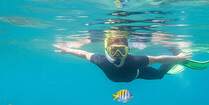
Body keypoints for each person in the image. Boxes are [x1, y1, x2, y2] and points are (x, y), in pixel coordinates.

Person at [54, 35, 192, 83]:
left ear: (128, 51)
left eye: (122, 50)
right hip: (131, 75)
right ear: (106, 51)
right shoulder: (101, 60)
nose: (118, 54)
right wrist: (67, 50)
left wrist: (178, 58)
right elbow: (82, 53)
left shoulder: (135, 61)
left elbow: (157, 59)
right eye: (114, 50)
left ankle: (172, 53)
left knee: (160, 75)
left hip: (138, 72)